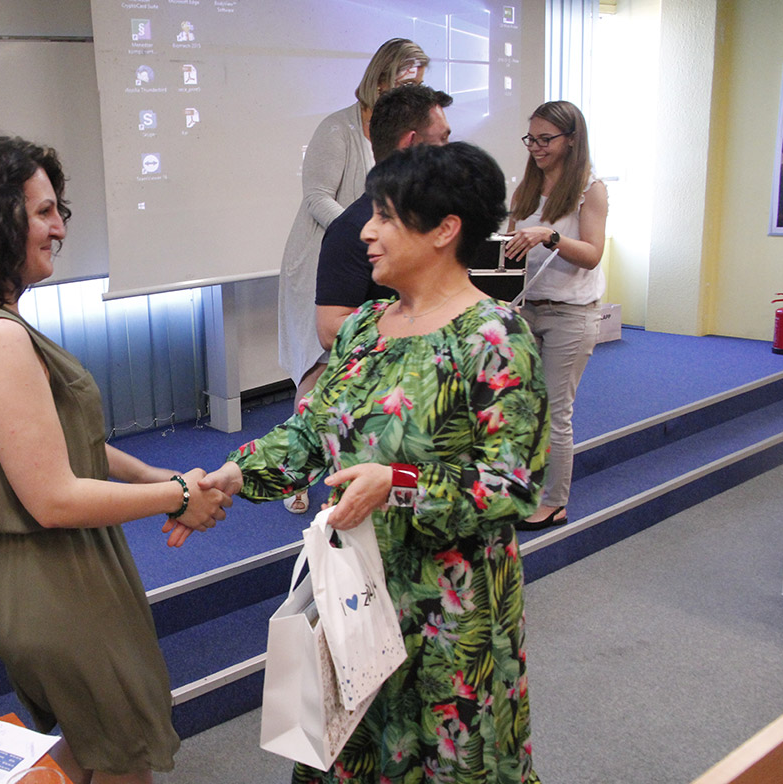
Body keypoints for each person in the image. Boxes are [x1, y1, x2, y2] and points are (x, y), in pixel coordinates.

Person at [187, 143, 549, 783]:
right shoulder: (365, 327)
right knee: (349, 749)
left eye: (385, 216)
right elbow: (313, 430)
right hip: (352, 593)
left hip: (446, 611)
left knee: (445, 758)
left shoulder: (494, 337)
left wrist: (398, 484)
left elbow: (513, 486)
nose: (366, 232)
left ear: (445, 229)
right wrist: (237, 475)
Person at [0, 130, 231, 784]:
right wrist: (179, 497)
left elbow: (61, 444)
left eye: (59, 211)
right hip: (57, 576)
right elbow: (54, 497)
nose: (59, 228)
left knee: (84, 748)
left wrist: (159, 476)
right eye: (43, 211)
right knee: (121, 758)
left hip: (40, 570)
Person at [277, 37, 429, 513]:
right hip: (324, 257)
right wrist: (362, 232)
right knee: (317, 368)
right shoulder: (338, 128)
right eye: (406, 79)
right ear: (381, 78)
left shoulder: (396, 133)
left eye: (419, 81)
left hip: (375, 258)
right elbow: (316, 196)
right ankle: (296, 475)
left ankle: (354, 470)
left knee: (363, 368)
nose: (413, 88)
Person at [503, 100, 609, 532]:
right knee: (522, 408)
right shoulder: (526, 189)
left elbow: (592, 254)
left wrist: (549, 236)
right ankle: (522, 489)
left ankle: (554, 503)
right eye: (531, 139)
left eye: (545, 139)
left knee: (555, 411)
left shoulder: (590, 189)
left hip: (571, 314)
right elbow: (509, 249)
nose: (536, 147)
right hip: (526, 309)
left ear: (571, 139)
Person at [315, 83, 453, 351]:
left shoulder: (438, 218)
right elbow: (330, 330)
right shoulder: (351, 229)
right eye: (442, 140)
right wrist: (421, 321)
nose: (449, 153)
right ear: (411, 144)